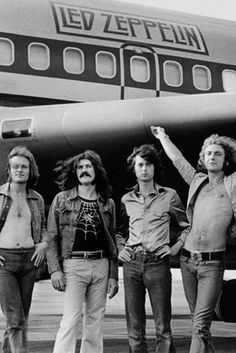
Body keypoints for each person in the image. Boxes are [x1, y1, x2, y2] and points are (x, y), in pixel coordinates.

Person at [151, 126, 236, 353]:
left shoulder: (232, 184)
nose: (212, 157)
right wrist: (163, 137)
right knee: (199, 326)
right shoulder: (197, 181)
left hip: (212, 264)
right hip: (187, 262)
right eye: (208, 153)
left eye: (218, 153)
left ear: (226, 161)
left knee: (199, 326)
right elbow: (178, 160)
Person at [116, 144, 189, 353]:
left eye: (148, 164)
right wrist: (121, 247)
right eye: (140, 164)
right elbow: (118, 230)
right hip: (132, 264)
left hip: (158, 263)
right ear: (134, 168)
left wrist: (176, 247)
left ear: (155, 168)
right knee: (135, 328)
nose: (144, 169)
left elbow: (187, 225)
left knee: (163, 326)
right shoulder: (126, 199)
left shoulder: (170, 196)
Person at [46, 150, 119, 353]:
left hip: (101, 264)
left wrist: (114, 275)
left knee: (95, 321)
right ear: (75, 172)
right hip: (74, 266)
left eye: (88, 166)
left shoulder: (107, 203)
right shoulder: (62, 200)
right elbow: (51, 237)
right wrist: (55, 270)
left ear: (96, 171)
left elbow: (112, 241)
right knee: (70, 320)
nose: (84, 170)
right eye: (80, 167)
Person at [0, 145, 48, 353]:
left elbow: (45, 229)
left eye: (24, 167)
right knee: (15, 319)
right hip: (5, 262)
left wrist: (44, 244)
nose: (20, 170)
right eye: (15, 167)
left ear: (30, 171)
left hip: (29, 262)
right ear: (9, 170)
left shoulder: (37, 198)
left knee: (19, 319)